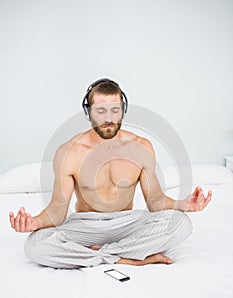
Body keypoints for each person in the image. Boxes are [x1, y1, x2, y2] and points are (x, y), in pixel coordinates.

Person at [9, 78, 212, 269]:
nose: (108, 119)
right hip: (86, 224)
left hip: (127, 221)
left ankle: (102, 255)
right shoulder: (68, 152)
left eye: (115, 110)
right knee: (35, 245)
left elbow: (155, 201)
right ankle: (130, 259)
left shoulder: (141, 146)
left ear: (122, 111)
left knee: (181, 224)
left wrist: (182, 205)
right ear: (88, 113)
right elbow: (57, 211)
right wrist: (35, 222)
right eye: (101, 111)